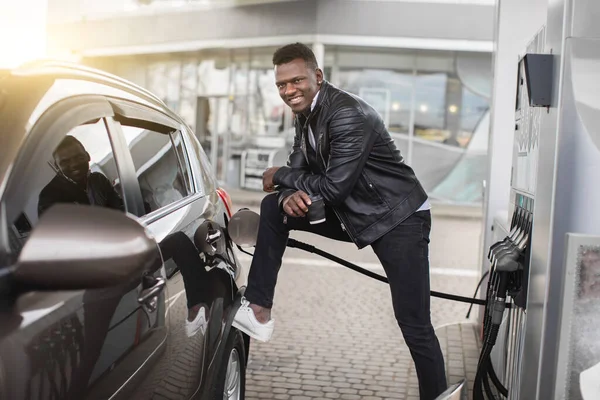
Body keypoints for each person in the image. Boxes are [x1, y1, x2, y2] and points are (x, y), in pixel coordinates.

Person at [232, 42, 447, 399]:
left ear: (318, 76)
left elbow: (333, 187)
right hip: (355, 212)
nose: (289, 91)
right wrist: (288, 196)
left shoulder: (348, 113)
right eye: (281, 85)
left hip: (399, 219)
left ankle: (436, 395)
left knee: (414, 323)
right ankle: (259, 310)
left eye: (296, 80)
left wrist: (281, 175)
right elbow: (300, 172)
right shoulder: (305, 115)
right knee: (273, 208)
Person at [38, 135, 124, 216]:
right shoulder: (49, 196)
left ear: (88, 156)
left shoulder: (99, 180)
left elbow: (121, 210)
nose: (74, 164)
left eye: (79, 157)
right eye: (65, 162)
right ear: (57, 166)